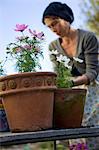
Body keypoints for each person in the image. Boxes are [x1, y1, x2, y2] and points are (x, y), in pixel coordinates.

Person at [42, 2, 99, 150]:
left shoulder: (88, 38)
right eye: (49, 27)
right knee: (69, 118)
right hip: (72, 88)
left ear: (66, 18)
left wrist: (70, 84)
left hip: (93, 85)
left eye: (55, 23)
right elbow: (59, 74)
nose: (53, 29)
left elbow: (92, 72)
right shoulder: (53, 47)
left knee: (88, 119)